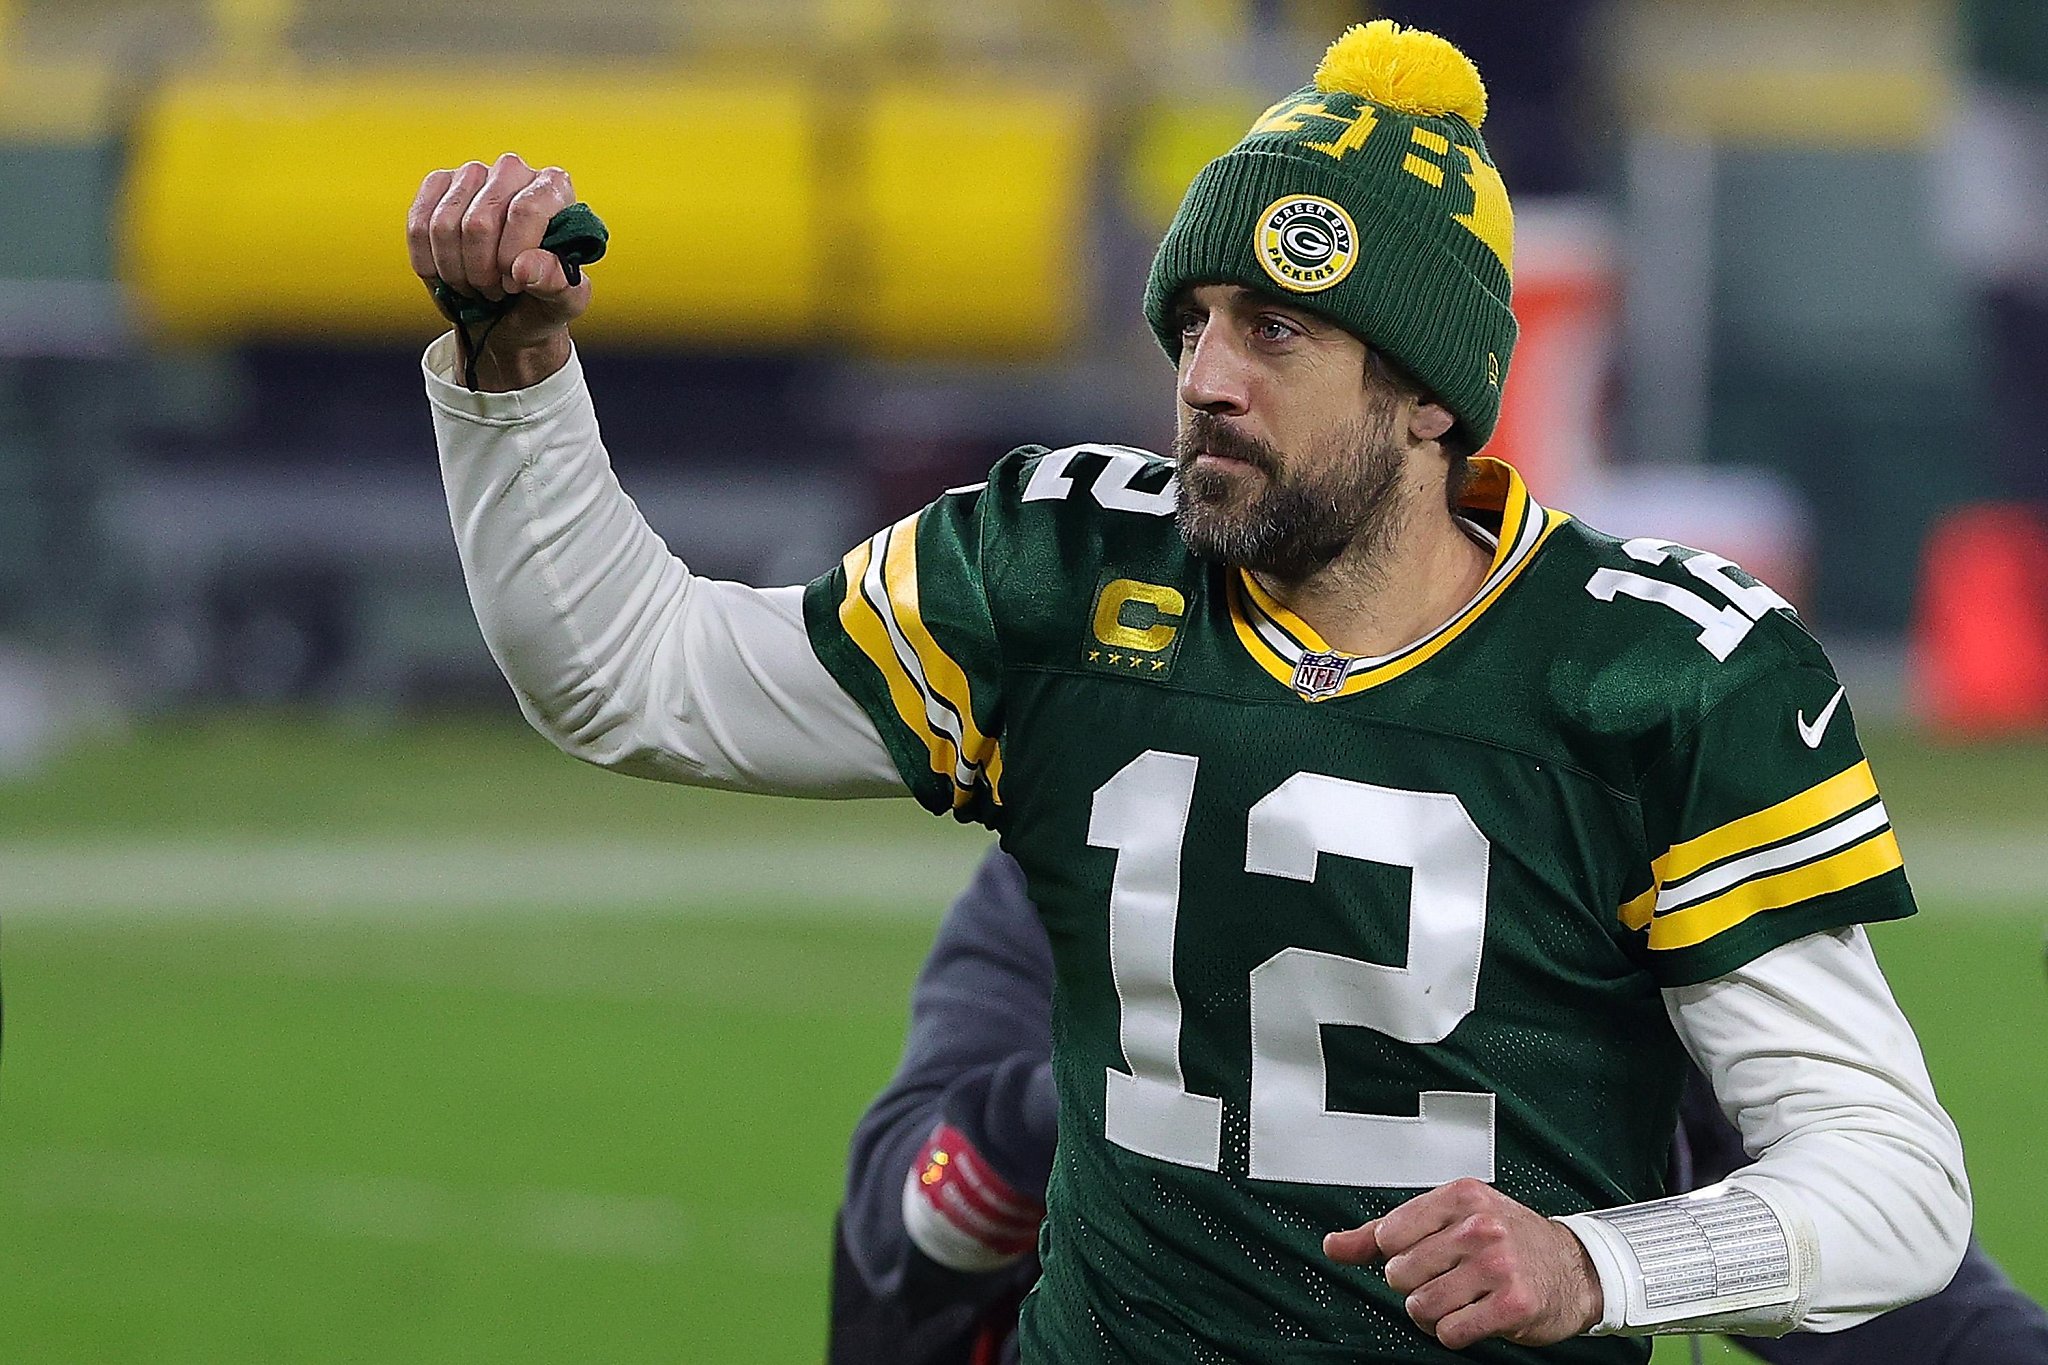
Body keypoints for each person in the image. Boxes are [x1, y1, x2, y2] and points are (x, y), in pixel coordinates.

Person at [412, 20, 1971, 1361]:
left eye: (1277, 330)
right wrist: (517, 377)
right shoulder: (1062, 571)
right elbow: (630, 674)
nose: (1208, 375)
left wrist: (1598, 1263)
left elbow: (1892, 1181)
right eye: (1198, 323)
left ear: (1432, 396)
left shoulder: (1653, 671)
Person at [829, 846, 2048, 1365]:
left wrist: (1594, 1258)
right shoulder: (1090, 845)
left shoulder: (1583, 887)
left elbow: (1897, 1310)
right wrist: (1103, 1108)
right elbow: (900, 1222)